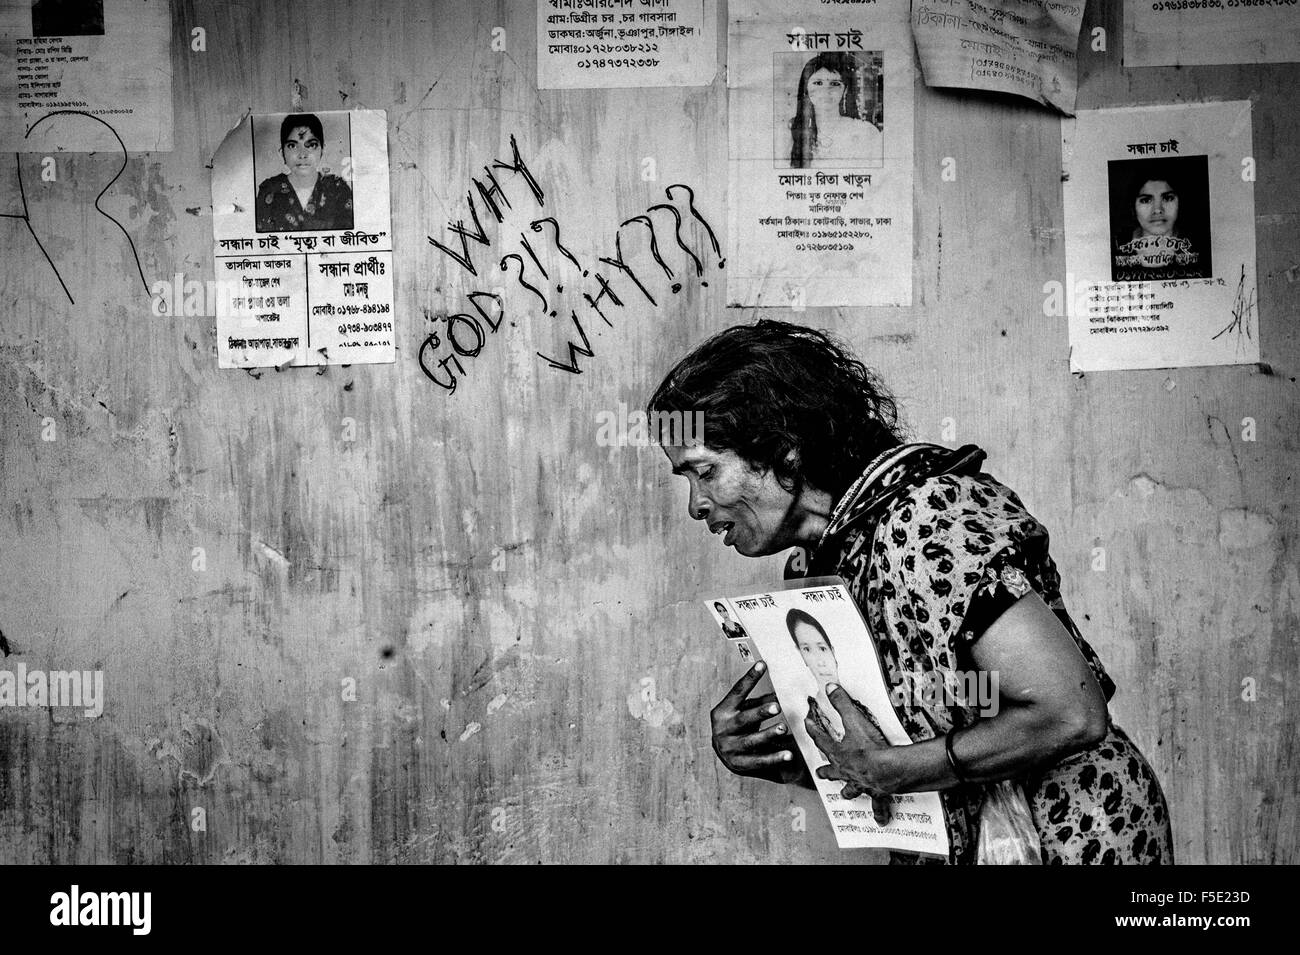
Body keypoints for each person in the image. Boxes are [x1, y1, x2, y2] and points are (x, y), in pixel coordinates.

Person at [648, 320, 1174, 865]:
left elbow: (1070, 714)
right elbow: (891, 750)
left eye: (705, 472)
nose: (696, 504)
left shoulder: (931, 516)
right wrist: (789, 758)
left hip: (1068, 828)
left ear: (784, 449)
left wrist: (890, 770)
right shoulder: (818, 568)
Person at [256, 113, 354, 233]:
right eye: (292, 146)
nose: (303, 154)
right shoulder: (269, 190)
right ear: (282, 153)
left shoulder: (338, 190)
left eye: (312, 145)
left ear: (322, 150)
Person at [788, 52, 882, 169]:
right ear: (805, 89)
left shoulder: (866, 132)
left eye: (834, 84)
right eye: (818, 83)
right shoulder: (789, 133)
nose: (826, 90)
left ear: (845, 90)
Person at [1112, 165, 1205, 281]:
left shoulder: (1200, 248)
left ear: (1180, 203)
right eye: (1146, 200)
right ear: (1133, 207)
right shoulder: (1115, 248)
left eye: (1168, 198)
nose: (1157, 209)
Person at [787, 608, 845, 742]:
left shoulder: (860, 702)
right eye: (806, 649)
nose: (819, 661)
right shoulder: (813, 720)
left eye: (822, 648)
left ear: (833, 651)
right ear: (801, 654)